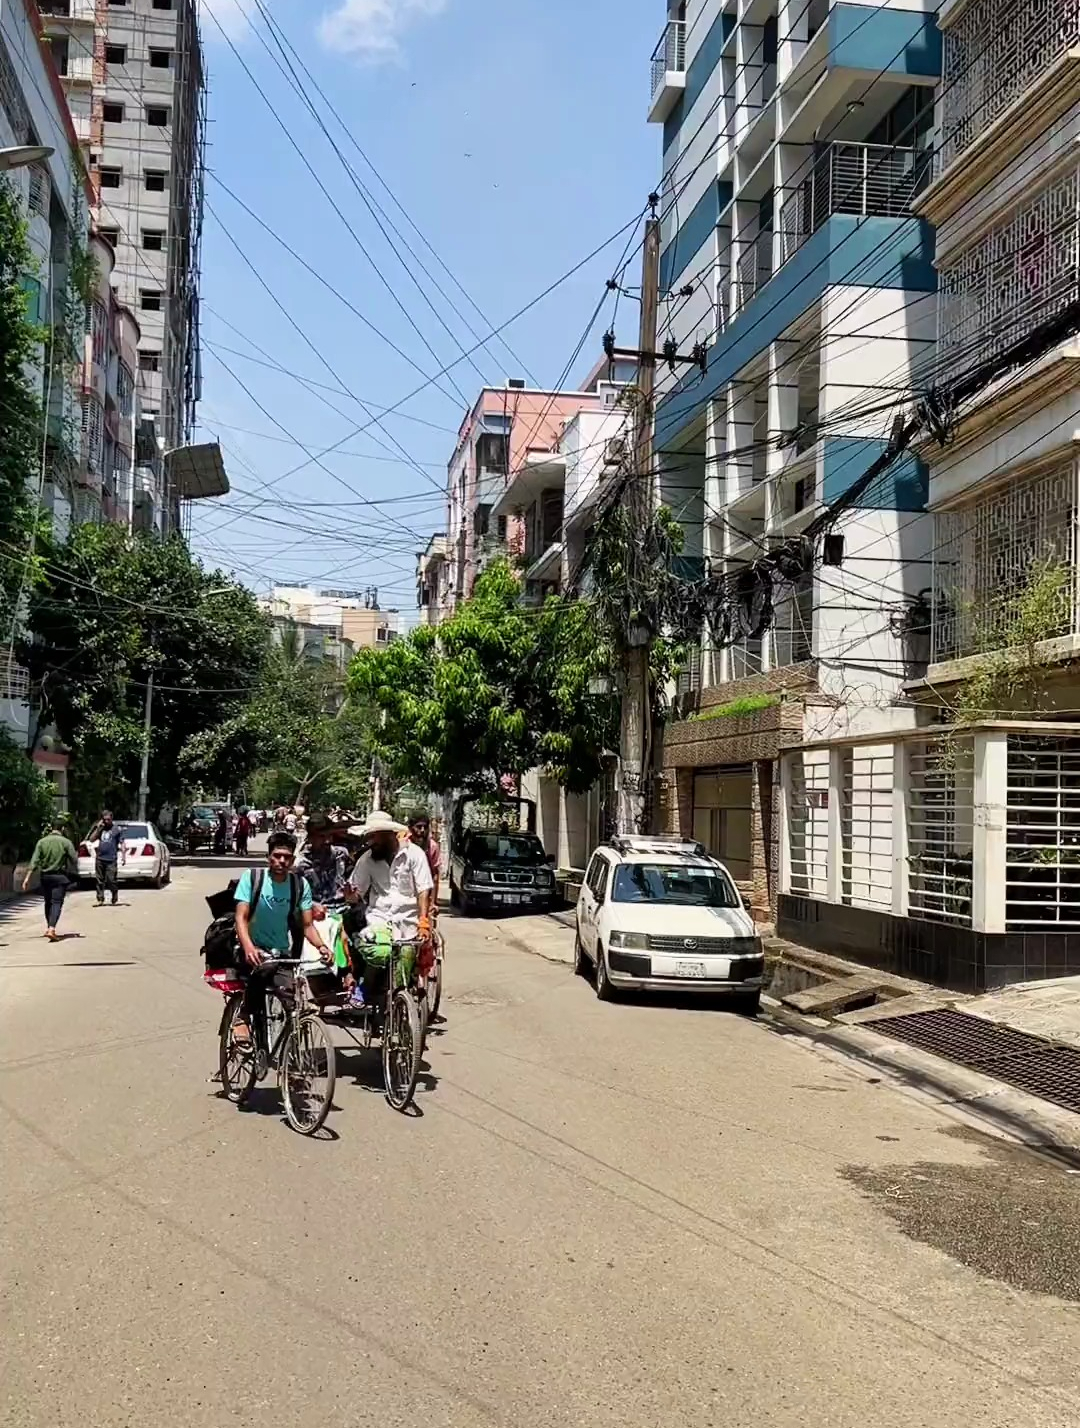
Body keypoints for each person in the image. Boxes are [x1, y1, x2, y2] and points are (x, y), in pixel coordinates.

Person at [233, 831, 331, 1044]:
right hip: (251, 950)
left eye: (287, 857)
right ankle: (243, 1017)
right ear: (269, 857)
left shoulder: (299, 885)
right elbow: (240, 918)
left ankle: (294, 1065)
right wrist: (249, 947)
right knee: (264, 968)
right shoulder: (252, 878)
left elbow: (307, 925)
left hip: (280, 954)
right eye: (277, 855)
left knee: (294, 1006)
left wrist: (322, 947)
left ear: (293, 860)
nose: (282, 861)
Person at [346, 810, 434, 1008]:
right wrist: (349, 894)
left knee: (405, 960)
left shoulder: (414, 855)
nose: (372, 840)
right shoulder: (367, 859)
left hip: (409, 921)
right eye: (371, 836)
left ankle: (400, 1000)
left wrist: (423, 920)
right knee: (380, 952)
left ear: (389, 835)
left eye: (376, 836)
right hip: (378, 918)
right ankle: (365, 987)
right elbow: (356, 893)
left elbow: (423, 889)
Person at [23, 818, 78, 941]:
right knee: (57, 902)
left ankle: (49, 927)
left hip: (45, 877)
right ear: (62, 829)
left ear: (51, 828)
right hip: (60, 877)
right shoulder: (66, 842)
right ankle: (52, 928)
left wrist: (27, 878)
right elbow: (74, 859)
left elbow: (34, 861)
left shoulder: (42, 842)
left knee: (48, 902)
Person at [407, 811, 442, 911]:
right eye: (419, 827)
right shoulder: (404, 846)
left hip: (425, 896)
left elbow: (435, 875)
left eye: (425, 827)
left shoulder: (432, 847)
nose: (422, 830)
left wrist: (433, 903)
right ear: (410, 828)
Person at [87, 809, 122, 906]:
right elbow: (91, 839)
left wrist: (123, 856)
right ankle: (100, 898)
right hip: (100, 858)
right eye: (104, 819)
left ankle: (114, 893)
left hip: (111, 859)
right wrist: (98, 828)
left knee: (111, 880)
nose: (106, 821)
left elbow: (122, 843)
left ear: (112, 819)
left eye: (108, 820)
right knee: (99, 880)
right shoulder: (101, 828)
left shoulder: (116, 829)